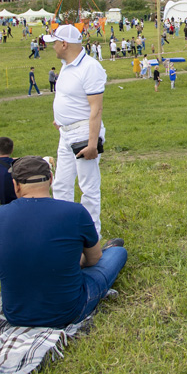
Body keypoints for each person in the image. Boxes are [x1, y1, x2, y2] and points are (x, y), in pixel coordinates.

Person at [0, 156, 127, 327]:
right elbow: (94, 259)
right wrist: (74, 261)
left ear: (16, 185)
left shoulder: (0, 215)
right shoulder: (75, 212)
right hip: (68, 311)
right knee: (117, 253)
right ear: (50, 179)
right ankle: (109, 249)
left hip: (16, 314)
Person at [45, 25, 108, 233]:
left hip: (83, 134)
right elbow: (68, 97)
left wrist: (92, 144)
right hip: (66, 133)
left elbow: (96, 109)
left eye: (54, 42)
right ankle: (65, 231)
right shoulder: (66, 65)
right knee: (62, 184)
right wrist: (60, 119)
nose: (52, 46)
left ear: (64, 44)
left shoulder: (90, 67)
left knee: (88, 186)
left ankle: (92, 237)